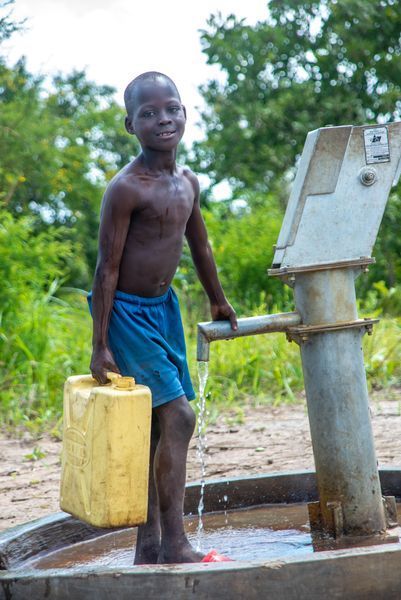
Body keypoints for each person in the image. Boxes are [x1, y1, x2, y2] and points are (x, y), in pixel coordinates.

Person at [88, 71, 237, 564]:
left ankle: (147, 546)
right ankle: (175, 543)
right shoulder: (127, 188)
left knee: (156, 428)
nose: (162, 119)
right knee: (179, 416)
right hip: (126, 314)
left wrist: (217, 299)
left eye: (170, 108)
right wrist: (100, 343)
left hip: (163, 309)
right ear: (130, 124)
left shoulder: (187, 182)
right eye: (148, 113)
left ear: (185, 113)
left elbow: (200, 245)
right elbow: (106, 268)